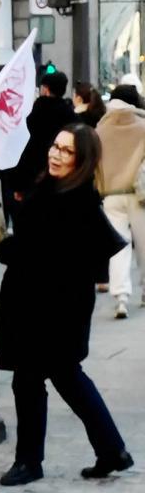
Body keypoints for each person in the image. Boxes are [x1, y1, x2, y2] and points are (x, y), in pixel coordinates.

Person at [0, 122, 133, 486]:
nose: (56, 154)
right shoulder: (54, 188)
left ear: (81, 160)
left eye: (67, 151)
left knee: (32, 381)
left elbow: (43, 252)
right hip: (44, 305)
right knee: (65, 378)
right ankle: (111, 450)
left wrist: (8, 248)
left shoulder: (74, 201)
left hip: (51, 309)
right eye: (55, 146)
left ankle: (29, 462)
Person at [96, 84, 145, 319]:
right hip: (139, 194)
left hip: (111, 194)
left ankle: (121, 297)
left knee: (118, 248)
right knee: (143, 246)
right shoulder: (142, 126)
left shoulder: (100, 129)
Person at [8, 70, 75, 199]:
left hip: (32, 180)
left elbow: (24, 150)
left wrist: (18, 185)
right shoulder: (71, 116)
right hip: (64, 180)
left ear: (45, 89)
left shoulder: (33, 115)